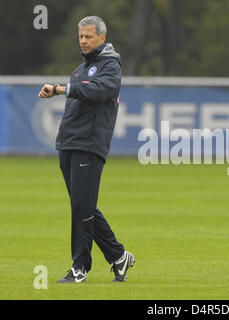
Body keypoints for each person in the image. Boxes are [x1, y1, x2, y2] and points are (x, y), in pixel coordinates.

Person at [38, 16, 135, 283]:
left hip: (89, 145)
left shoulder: (110, 65)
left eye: (89, 36)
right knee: (84, 207)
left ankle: (80, 266)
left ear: (102, 38)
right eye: (80, 36)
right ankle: (118, 256)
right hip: (69, 143)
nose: (83, 40)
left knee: (82, 207)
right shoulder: (81, 69)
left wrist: (61, 89)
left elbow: (99, 91)